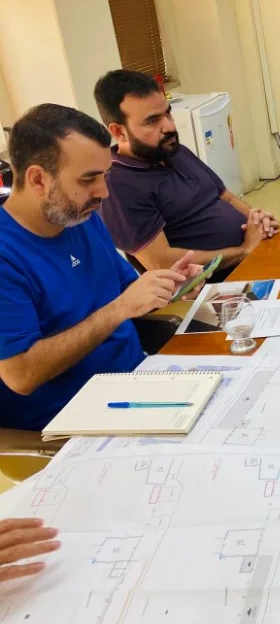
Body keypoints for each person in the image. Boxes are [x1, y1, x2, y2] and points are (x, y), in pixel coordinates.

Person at [0, 104, 203, 430]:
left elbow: (125, 292)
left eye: (105, 175)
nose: (104, 192)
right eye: (89, 179)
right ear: (38, 179)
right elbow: (20, 374)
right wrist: (120, 309)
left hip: (139, 383)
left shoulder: (80, 218)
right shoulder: (7, 255)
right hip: (73, 422)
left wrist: (163, 286)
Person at [93, 70, 280, 282]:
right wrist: (244, 250)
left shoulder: (172, 150)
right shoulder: (119, 185)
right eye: (152, 121)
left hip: (252, 259)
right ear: (119, 132)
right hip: (213, 285)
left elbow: (226, 197)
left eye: (168, 113)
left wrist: (257, 220)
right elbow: (161, 262)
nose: (170, 126)